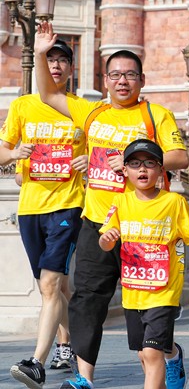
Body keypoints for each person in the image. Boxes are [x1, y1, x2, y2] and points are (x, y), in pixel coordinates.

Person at [34, 22, 189, 389]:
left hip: (145, 228)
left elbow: (180, 156)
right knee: (87, 299)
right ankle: (84, 378)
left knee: (148, 308)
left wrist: (139, 160)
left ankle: (170, 355)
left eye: (130, 75)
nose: (123, 81)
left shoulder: (156, 116)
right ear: (105, 80)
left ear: (142, 80)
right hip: (97, 222)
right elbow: (47, 94)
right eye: (116, 75)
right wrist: (41, 53)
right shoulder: (92, 113)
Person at [99, 139, 189, 389]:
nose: (142, 169)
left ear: (161, 170)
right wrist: (107, 240)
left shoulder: (174, 202)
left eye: (150, 163)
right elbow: (106, 240)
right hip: (133, 291)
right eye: (135, 164)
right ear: (125, 170)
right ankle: (173, 362)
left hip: (164, 291)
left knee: (152, 354)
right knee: (143, 355)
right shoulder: (121, 203)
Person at [2, 39, 85, 389]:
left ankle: (36, 361)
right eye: (49, 59)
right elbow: (3, 152)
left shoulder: (83, 108)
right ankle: (81, 342)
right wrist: (13, 153)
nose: (56, 66)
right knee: (51, 288)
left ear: (70, 68)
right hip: (31, 207)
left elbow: (109, 153)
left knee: (52, 284)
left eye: (63, 60)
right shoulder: (22, 106)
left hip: (67, 205)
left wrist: (90, 162)